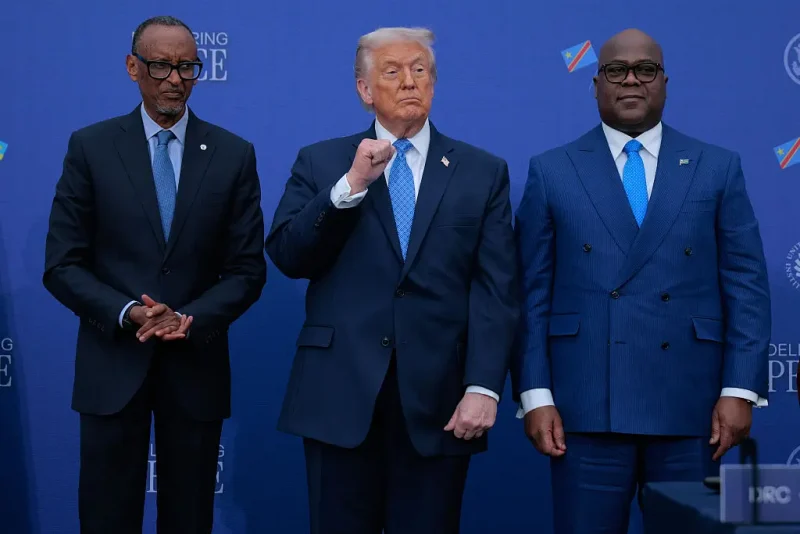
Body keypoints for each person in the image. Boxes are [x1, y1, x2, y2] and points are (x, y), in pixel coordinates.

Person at [512, 28, 770, 533]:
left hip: (692, 410)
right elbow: (529, 294)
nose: (631, 80)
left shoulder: (717, 168)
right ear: (595, 84)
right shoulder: (552, 171)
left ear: (665, 82)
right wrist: (535, 396)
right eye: (615, 70)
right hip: (583, 408)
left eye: (645, 69)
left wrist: (740, 388)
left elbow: (746, 284)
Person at [266, 26, 518, 534]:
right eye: (392, 71)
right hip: (338, 395)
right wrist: (351, 185)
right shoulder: (322, 162)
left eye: (419, 70)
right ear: (364, 90)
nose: (409, 82)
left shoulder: (481, 171)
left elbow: (497, 289)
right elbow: (290, 255)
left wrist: (484, 386)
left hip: (439, 400)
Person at [43, 15, 266, 534]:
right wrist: (129, 313)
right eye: (161, 65)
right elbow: (62, 263)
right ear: (132, 67)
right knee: (105, 517)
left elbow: (247, 269)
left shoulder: (234, 155)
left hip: (195, 367)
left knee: (189, 519)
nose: (174, 78)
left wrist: (188, 317)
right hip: (112, 364)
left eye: (187, 66)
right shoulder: (91, 147)